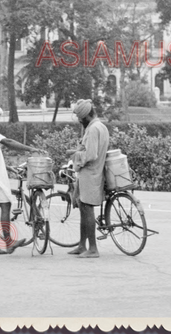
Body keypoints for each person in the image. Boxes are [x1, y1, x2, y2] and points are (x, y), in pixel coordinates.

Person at [0, 102, 45, 255]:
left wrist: (7, 167)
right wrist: (30, 149)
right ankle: (8, 242)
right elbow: (9, 142)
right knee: (5, 204)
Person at [66, 99, 109, 258]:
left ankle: (92, 248)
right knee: (83, 208)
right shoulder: (100, 127)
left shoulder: (92, 129)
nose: (79, 121)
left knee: (87, 209)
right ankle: (81, 245)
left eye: (80, 118)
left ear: (85, 117)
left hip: (91, 173)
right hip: (91, 173)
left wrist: (74, 155)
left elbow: (90, 155)